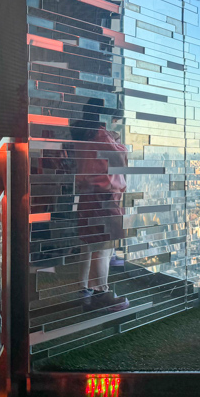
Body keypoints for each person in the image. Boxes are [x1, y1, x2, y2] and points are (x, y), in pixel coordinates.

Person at [70, 98, 130, 313]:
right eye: (116, 119)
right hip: (105, 196)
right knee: (104, 246)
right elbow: (119, 161)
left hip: (87, 195)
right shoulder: (101, 136)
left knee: (89, 245)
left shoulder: (81, 135)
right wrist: (117, 140)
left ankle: (83, 290)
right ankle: (101, 293)